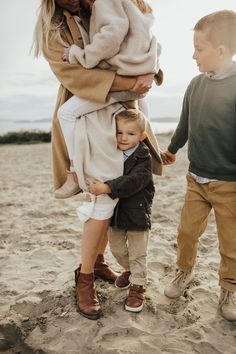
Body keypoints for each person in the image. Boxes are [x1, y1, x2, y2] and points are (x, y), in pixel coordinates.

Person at [33, 0, 163, 320]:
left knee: (117, 198)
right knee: (100, 203)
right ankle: (85, 278)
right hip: (92, 121)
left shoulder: (106, 7)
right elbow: (74, 76)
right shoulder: (53, 30)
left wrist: (148, 69)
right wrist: (132, 81)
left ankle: (100, 261)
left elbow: (142, 34)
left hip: (123, 118)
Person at [163, 10, 236, 321]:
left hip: (229, 184)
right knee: (187, 232)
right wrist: (172, 149)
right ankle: (184, 272)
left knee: (230, 241)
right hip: (196, 178)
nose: (193, 55)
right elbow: (185, 123)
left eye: (199, 48)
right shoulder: (194, 85)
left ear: (221, 51)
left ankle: (229, 290)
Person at [57, 0, 162, 198]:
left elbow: (112, 34)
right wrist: (150, 68)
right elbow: (154, 41)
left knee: (66, 113)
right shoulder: (130, 5)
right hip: (138, 79)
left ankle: (74, 172)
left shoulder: (104, 2)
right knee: (139, 115)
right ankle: (148, 151)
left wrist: (79, 54)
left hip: (121, 81)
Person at [89, 108, 154, 313]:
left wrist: (108, 187)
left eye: (131, 133)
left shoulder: (143, 157)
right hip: (115, 213)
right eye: (119, 132)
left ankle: (137, 287)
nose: (124, 137)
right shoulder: (111, 154)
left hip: (137, 212)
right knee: (117, 250)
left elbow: (135, 181)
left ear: (141, 136)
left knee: (138, 253)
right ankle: (129, 270)